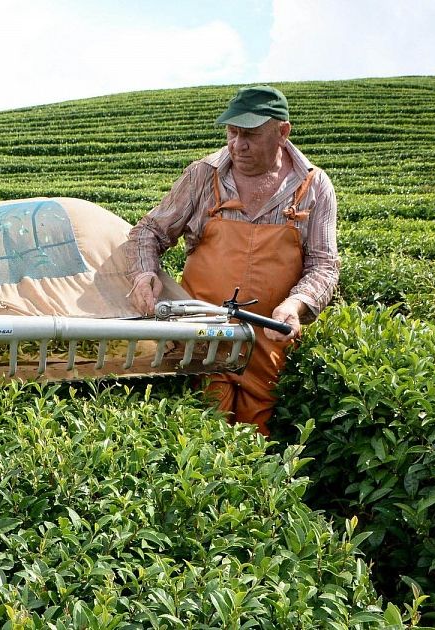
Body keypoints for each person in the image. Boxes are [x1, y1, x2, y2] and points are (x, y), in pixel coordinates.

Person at [125, 86, 339, 435]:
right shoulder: (202, 175)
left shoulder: (314, 187)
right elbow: (149, 231)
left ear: (282, 132)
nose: (238, 145)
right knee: (200, 437)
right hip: (199, 339)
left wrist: (297, 303)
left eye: (251, 135)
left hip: (268, 346)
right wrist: (144, 274)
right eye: (232, 132)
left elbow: (324, 264)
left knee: (259, 446)